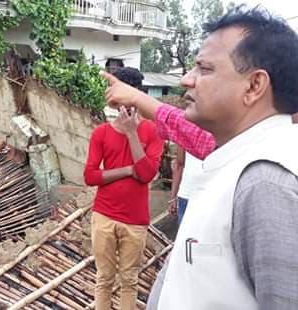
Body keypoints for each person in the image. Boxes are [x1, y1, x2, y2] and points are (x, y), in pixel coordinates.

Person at [101, 6, 298, 310]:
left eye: (204, 69)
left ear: (254, 86)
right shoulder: (235, 155)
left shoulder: (267, 183)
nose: (186, 80)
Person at [84, 67, 163, 310]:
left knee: (129, 280)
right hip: (104, 216)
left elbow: (148, 174)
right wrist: (128, 171)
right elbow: (90, 176)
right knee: (104, 279)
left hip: (135, 220)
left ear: (137, 95)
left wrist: (131, 133)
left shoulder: (152, 130)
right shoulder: (102, 132)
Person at [168, 146, 202, 225]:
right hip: (187, 194)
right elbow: (179, 164)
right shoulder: (185, 134)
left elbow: (179, 165)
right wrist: (173, 197)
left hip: (210, 196)